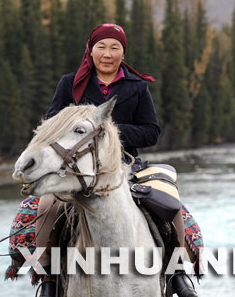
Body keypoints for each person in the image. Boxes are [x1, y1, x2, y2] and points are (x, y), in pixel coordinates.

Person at [36, 23, 198, 297]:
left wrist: (109, 133)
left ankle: (178, 273)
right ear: (91, 50)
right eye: (101, 46)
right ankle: (48, 280)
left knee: (170, 201)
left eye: (115, 47)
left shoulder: (137, 86)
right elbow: (53, 123)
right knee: (47, 206)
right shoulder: (70, 83)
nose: (107, 54)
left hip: (126, 165)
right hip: (79, 167)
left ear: (123, 53)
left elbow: (151, 131)